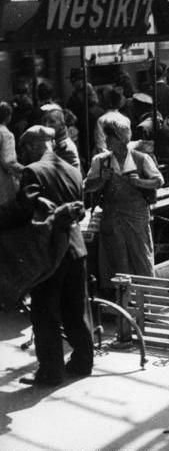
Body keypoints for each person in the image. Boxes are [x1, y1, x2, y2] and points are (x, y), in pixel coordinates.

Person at [15, 125, 93, 386]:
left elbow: (26, 208)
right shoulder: (73, 169)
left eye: (25, 149)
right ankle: (83, 362)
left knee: (44, 312)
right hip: (76, 249)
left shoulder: (32, 171)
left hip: (50, 254)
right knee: (75, 308)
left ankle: (50, 372)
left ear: (34, 147)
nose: (23, 154)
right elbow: (80, 209)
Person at [84, 113, 164, 288]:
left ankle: (147, 301)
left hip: (136, 215)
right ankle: (122, 304)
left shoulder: (141, 159)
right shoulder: (101, 161)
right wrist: (101, 180)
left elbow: (158, 181)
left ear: (120, 138)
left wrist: (139, 182)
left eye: (110, 137)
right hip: (112, 217)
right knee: (117, 262)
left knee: (141, 258)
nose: (107, 141)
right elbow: (87, 186)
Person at [0, 101, 22, 205]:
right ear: (9, 117)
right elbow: (8, 161)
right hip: (3, 183)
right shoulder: (6, 135)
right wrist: (24, 172)